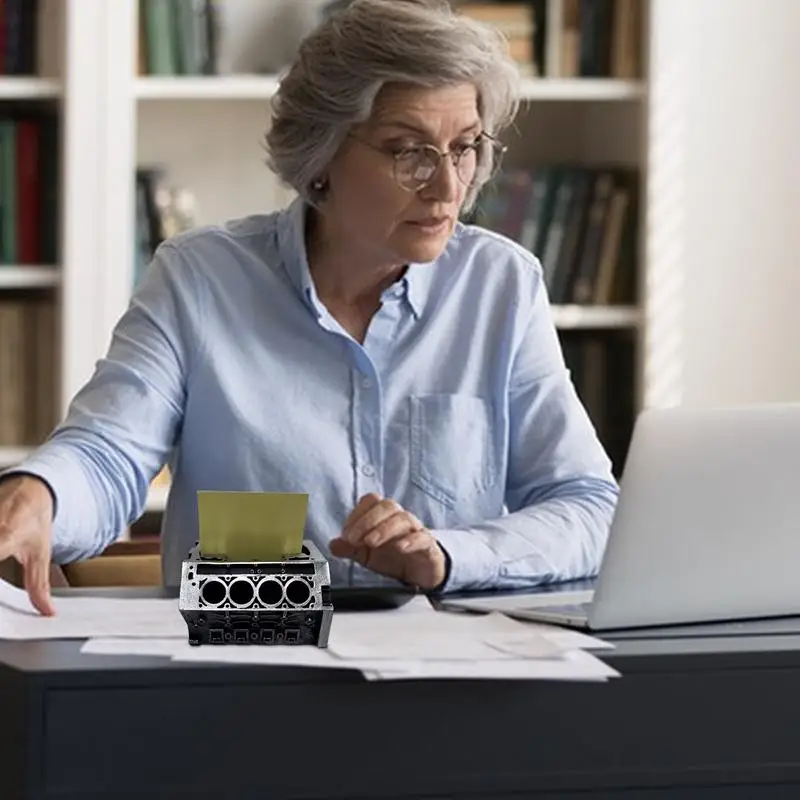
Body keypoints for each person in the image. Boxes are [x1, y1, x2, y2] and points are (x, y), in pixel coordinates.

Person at [0, 0, 618, 616]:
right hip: (251, 649)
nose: (449, 188)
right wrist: (39, 495)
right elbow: (108, 456)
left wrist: (451, 556)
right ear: (321, 156)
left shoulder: (499, 285)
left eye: (464, 148)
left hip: (447, 667)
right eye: (409, 151)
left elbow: (590, 506)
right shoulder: (201, 278)